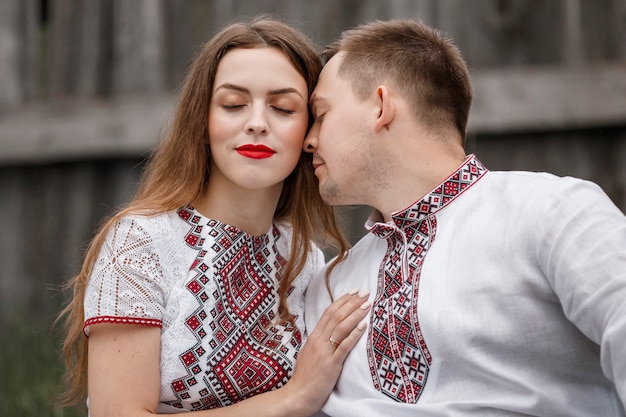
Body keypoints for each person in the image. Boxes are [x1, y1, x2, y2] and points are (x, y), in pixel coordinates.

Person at [303, 19, 626, 416]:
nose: (308, 139)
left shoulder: (551, 212)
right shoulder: (330, 285)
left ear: (381, 107)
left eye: (320, 114)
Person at [57, 16, 371, 416]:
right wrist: (293, 397)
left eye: (282, 107)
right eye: (233, 104)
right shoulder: (139, 245)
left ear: (310, 133)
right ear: (203, 123)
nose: (257, 123)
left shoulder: (305, 259)